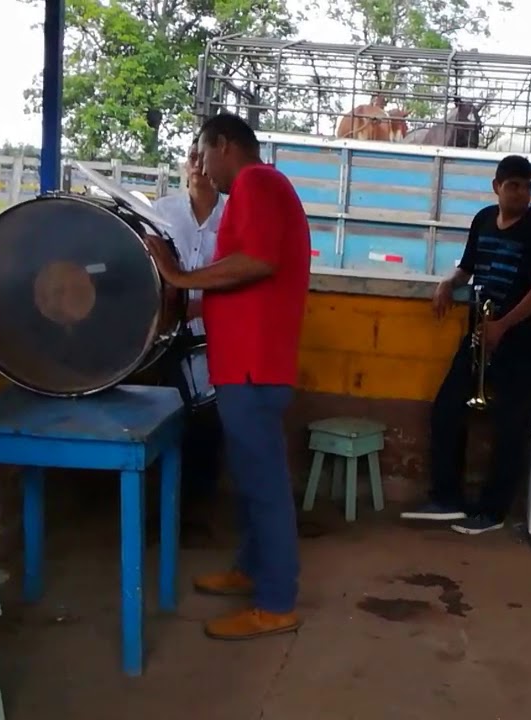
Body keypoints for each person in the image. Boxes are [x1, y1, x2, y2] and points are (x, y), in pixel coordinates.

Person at [145, 112, 311, 641]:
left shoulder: (258, 182)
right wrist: (195, 305)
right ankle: (251, 568)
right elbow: (248, 276)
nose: (202, 167)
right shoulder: (258, 191)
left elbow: (257, 262)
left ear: (223, 145)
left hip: (253, 365)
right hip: (244, 359)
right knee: (250, 477)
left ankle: (276, 601)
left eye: (203, 152)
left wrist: (180, 276)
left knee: (264, 485)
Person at [400, 155, 531, 535]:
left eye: (527, 186)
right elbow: (468, 267)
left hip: (519, 338)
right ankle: (447, 498)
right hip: (479, 333)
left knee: (511, 424)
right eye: (513, 185)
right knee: (446, 408)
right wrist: (447, 283)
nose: (521, 193)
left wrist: (503, 325)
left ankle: (493, 512)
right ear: (497, 187)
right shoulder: (483, 220)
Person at [151, 138, 226, 544]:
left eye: (204, 157)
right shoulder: (161, 213)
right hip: (168, 338)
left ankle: (195, 513)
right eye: (192, 157)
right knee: (166, 421)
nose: (197, 164)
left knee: (208, 426)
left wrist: (202, 307)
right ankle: (161, 511)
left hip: (216, 338)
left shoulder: (232, 216)